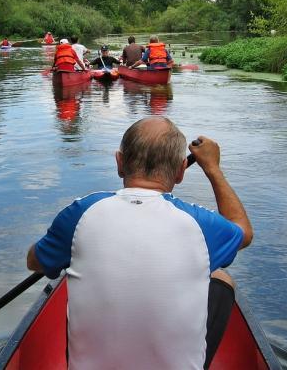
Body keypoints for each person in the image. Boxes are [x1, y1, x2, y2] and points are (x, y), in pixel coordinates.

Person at [26, 117, 253, 369]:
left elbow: (34, 262)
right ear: (180, 172)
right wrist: (212, 168)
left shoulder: (80, 213)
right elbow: (244, 232)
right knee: (221, 278)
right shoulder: (200, 224)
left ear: (119, 163)